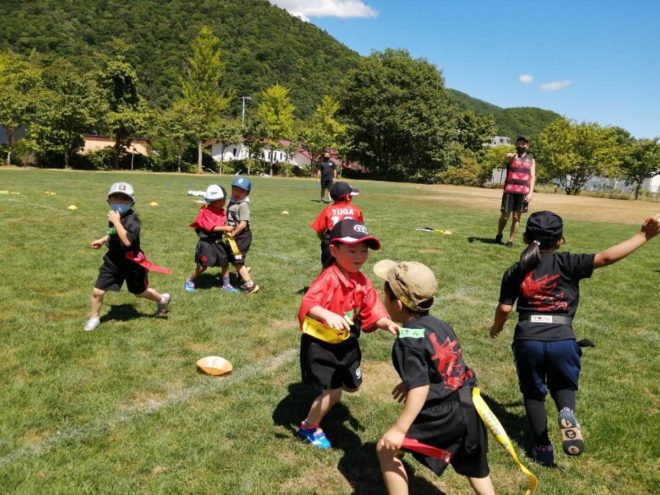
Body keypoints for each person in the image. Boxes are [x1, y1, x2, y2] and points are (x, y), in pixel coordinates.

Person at [489, 211, 660, 466]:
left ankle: (543, 446)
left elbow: (504, 308)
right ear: (560, 241)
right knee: (563, 385)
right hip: (562, 338)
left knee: (533, 394)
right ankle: (566, 411)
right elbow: (606, 257)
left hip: (528, 339)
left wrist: (497, 326)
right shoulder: (568, 262)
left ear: (525, 238)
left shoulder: (515, 270)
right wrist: (644, 235)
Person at [374, 260, 495, 495]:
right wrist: (410, 381)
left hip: (443, 413)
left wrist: (399, 428)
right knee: (475, 466)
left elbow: (420, 388)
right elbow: (446, 362)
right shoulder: (439, 324)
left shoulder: (407, 339)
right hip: (468, 404)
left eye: (384, 295)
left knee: (386, 449)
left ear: (397, 304)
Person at [297, 219, 399, 448]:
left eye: (364, 251)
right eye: (352, 251)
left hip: (347, 341)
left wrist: (384, 322)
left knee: (352, 385)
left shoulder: (362, 280)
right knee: (334, 393)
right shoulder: (328, 278)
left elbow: (371, 306)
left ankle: (327, 388)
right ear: (334, 250)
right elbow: (308, 303)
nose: (359, 256)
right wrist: (325, 313)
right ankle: (308, 426)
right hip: (322, 344)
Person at [84, 182, 171, 332]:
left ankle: (161, 299)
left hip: (132, 263)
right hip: (113, 260)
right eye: (115, 198)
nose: (119, 202)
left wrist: (116, 222)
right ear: (109, 201)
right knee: (98, 291)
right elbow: (113, 232)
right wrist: (103, 239)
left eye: (124, 199)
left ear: (131, 202)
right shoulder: (115, 216)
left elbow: (127, 241)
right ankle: (94, 318)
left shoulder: (133, 221)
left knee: (139, 292)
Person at [184, 184, 238, 293]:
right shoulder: (206, 212)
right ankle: (189, 281)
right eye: (223, 199)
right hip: (206, 244)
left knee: (225, 263)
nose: (225, 201)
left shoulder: (221, 211)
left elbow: (222, 223)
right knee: (203, 266)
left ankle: (226, 284)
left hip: (218, 243)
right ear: (216, 201)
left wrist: (227, 230)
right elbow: (211, 227)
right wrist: (226, 228)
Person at [310, 181, 364, 267]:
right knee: (349, 269)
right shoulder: (356, 210)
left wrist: (325, 241)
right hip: (350, 246)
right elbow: (360, 230)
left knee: (327, 270)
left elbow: (319, 230)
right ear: (347, 197)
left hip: (331, 245)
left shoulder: (327, 210)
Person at [495, 136, 536, 248]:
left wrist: (530, 193)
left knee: (516, 217)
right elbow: (507, 159)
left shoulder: (531, 160)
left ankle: (510, 240)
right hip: (509, 191)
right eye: (519, 143)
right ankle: (499, 233)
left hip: (523, 193)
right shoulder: (512, 157)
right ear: (516, 145)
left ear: (527, 146)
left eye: (523, 144)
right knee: (505, 216)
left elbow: (532, 177)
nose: (521, 145)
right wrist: (510, 156)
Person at [226, 176, 258, 294]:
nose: (237, 193)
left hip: (242, 236)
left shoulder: (243, 205)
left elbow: (243, 224)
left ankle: (250, 285)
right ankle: (244, 271)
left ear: (246, 193)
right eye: (235, 189)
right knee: (230, 256)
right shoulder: (231, 201)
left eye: (241, 191)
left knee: (238, 260)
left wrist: (233, 234)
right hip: (233, 235)